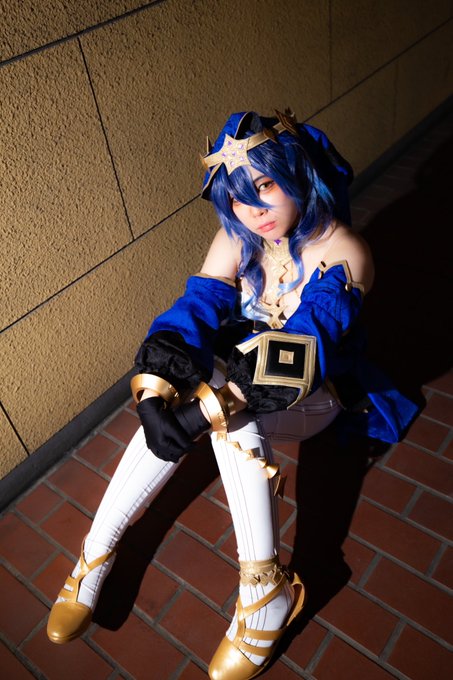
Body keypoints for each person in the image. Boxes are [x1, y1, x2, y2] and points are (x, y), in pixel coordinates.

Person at [46, 110, 418, 679]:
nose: (253, 211)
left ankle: (265, 593)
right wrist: (153, 396)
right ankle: (96, 551)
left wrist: (200, 416)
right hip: (242, 378)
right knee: (194, 394)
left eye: (265, 187)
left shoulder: (345, 251)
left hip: (315, 396)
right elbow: (194, 312)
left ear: (297, 173)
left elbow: (297, 356)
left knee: (232, 420)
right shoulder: (236, 237)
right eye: (238, 198)